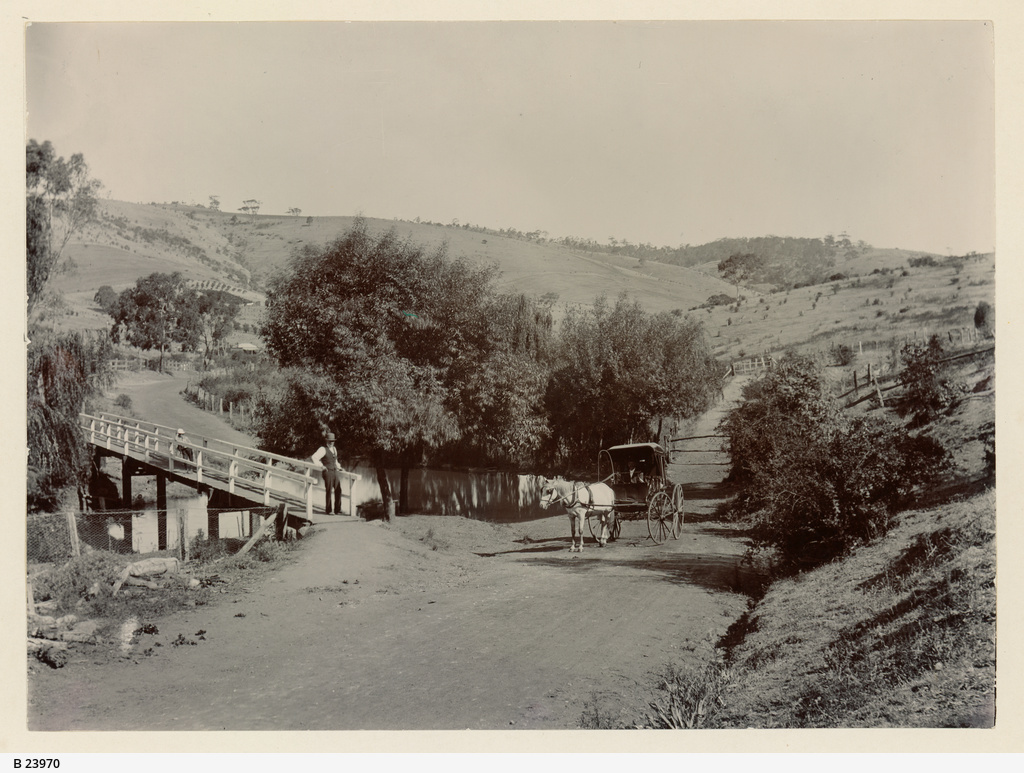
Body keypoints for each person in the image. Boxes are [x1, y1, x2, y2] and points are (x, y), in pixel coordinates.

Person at [312, 431, 343, 515]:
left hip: (335, 470)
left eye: (333, 441)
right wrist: (321, 466)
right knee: (329, 490)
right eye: (330, 441)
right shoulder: (323, 449)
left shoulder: (334, 449)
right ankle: (328, 510)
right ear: (326, 441)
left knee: (338, 489)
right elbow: (314, 457)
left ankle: (337, 509)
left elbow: (335, 461)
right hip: (327, 471)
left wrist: (339, 467)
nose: (331, 443)